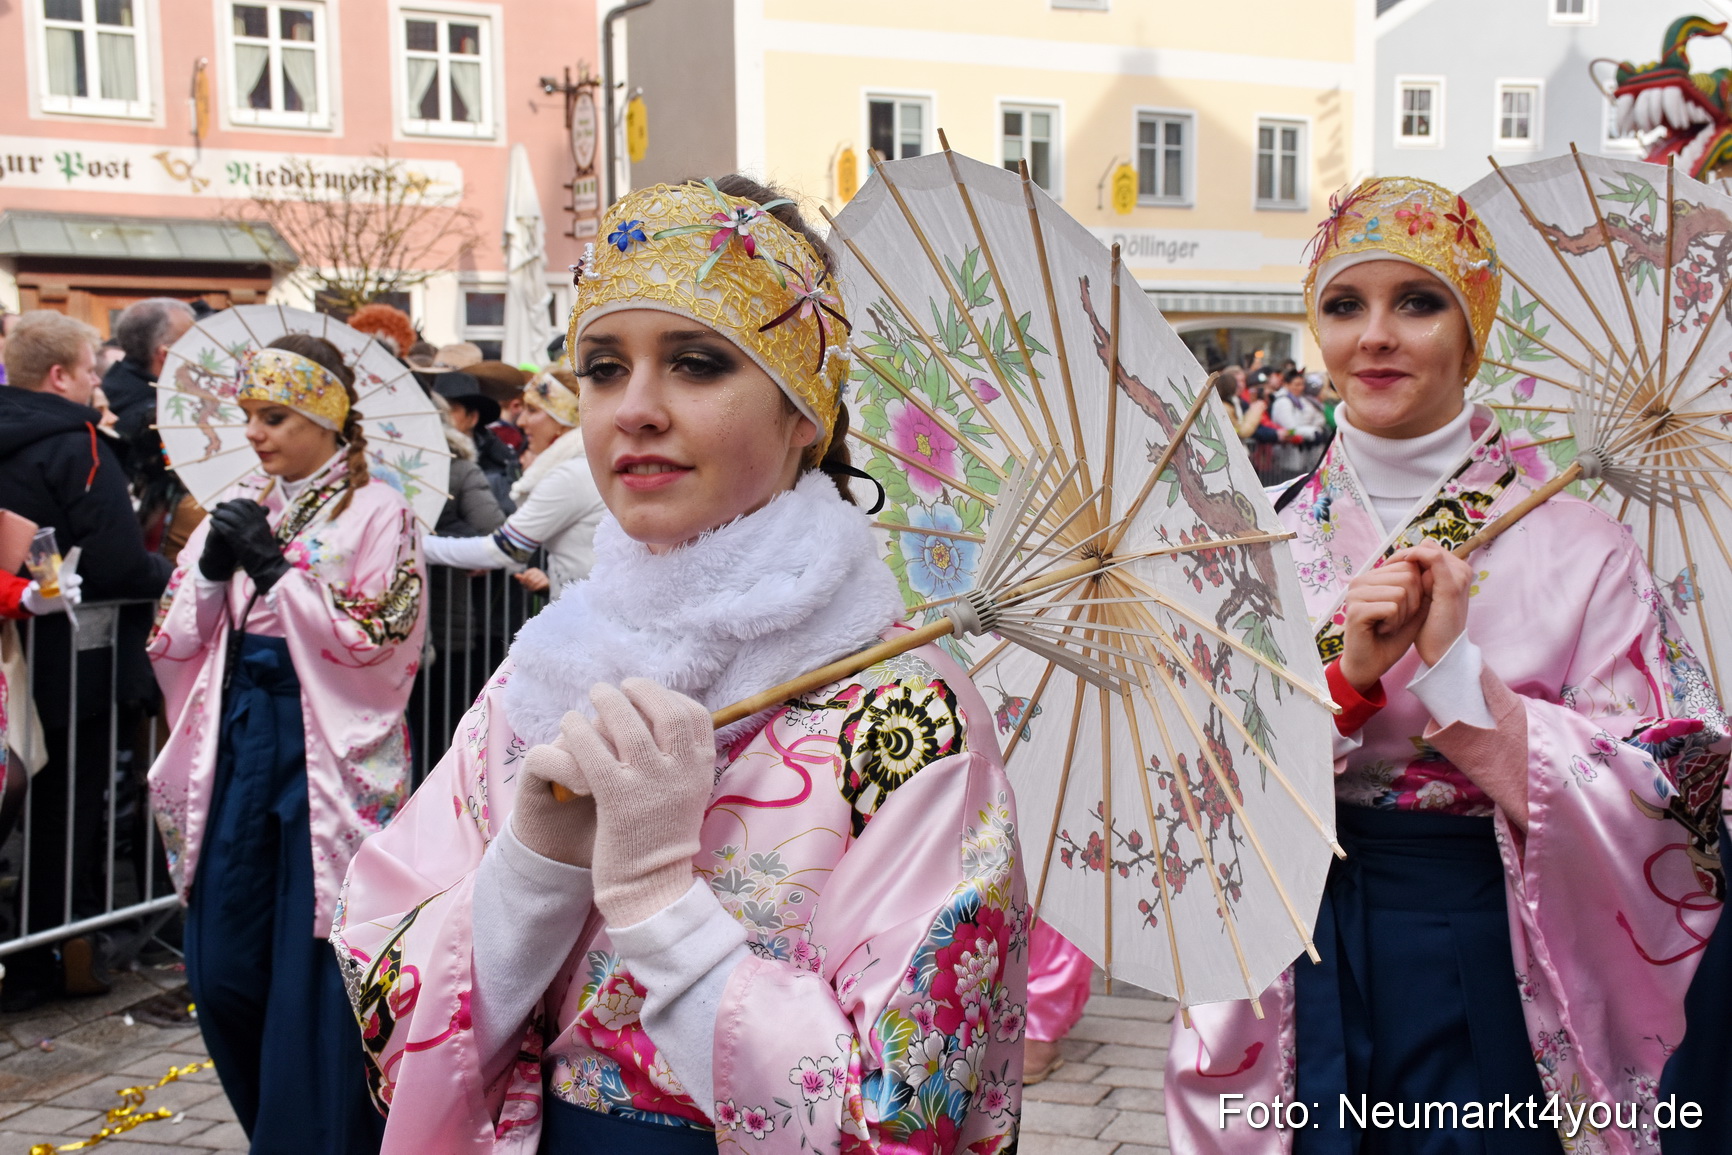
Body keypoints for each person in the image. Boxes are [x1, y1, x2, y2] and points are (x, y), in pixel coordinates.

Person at [334, 175, 1029, 1153]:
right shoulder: (549, 668)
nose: (635, 410)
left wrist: (663, 907)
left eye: (698, 364)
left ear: (806, 415)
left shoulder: (906, 709)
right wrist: (532, 869)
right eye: (604, 367)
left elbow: (908, 1111)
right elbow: (391, 995)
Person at [1164, 177, 1729, 1153]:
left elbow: (1677, 791)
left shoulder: (1583, 544)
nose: (1374, 336)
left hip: (1500, 939)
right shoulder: (1256, 536)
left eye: (1417, 302)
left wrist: (1462, 685)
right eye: (1344, 305)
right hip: (1301, 947)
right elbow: (1194, 776)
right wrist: (1342, 685)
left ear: (1472, 333)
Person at [146, 334, 425, 1153]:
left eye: (275, 416)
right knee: (224, 960)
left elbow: (385, 638)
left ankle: (312, 1135)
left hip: (325, 747)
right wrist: (211, 570)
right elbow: (173, 635)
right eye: (249, 417)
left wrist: (280, 577)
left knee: (312, 953)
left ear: (324, 416)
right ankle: (273, 1119)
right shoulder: (243, 501)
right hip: (238, 738)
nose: (257, 435)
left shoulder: (382, 510)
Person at [0, 311, 174, 1008]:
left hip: (18, 653)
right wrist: (172, 569)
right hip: (73, 660)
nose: (99, 384)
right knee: (65, 808)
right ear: (59, 375)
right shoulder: (77, 446)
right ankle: (56, 949)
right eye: (91, 371)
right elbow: (117, 560)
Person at [421, 369, 604, 598]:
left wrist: (416, 544)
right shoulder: (583, 468)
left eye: (533, 410)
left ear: (563, 420)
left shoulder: (570, 475)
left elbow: (502, 550)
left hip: (586, 615)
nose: (522, 421)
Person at [1268, 366, 1329, 478]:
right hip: (1287, 454)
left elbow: (1309, 420)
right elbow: (1290, 428)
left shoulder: (1299, 401)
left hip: (1299, 454)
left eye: (1302, 384)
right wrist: (1312, 432)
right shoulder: (1283, 402)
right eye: (1296, 384)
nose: (1300, 388)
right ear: (1286, 384)